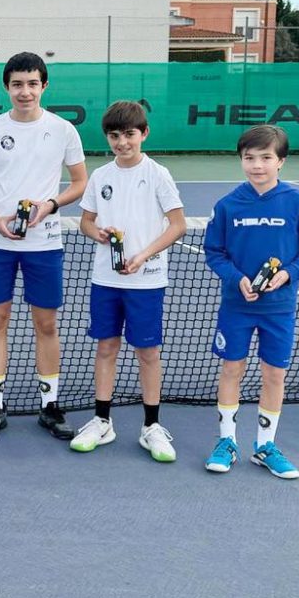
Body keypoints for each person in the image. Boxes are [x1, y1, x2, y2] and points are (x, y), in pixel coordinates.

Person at [0, 52, 88, 441]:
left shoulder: (64, 130)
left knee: (45, 324)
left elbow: (80, 182)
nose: (25, 91)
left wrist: (50, 205)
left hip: (45, 243)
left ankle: (50, 405)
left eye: (32, 83)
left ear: (44, 86)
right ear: (7, 87)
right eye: (17, 84)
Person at [202, 123, 299, 480]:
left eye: (266, 158)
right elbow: (214, 253)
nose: (257, 165)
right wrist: (237, 278)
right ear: (241, 160)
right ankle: (227, 441)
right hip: (236, 306)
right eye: (249, 158)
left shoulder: (298, 202)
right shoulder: (227, 205)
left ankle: (265, 446)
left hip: (280, 308)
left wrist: (288, 273)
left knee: (274, 373)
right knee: (231, 369)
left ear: (281, 161)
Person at [69, 100, 187, 460]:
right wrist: (98, 233)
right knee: (106, 348)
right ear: (108, 137)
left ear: (144, 134)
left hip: (146, 280)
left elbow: (178, 224)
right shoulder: (101, 176)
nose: (122, 142)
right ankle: (102, 421)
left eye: (130, 135)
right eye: (115, 136)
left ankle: (151, 426)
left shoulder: (158, 174)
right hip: (106, 279)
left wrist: (144, 256)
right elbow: (86, 221)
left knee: (147, 352)